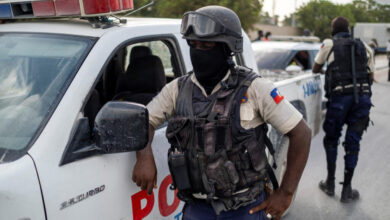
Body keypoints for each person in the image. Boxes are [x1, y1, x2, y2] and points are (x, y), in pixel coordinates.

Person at [132, 5, 311, 220]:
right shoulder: (178, 89)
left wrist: (285, 193)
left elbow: (301, 133)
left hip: (246, 207)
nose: (198, 51)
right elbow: (145, 121)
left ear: (227, 48)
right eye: (193, 44)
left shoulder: (255, 89)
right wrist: (144, 157)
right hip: (197, 208)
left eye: (207, 45)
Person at [312, 16, 374, 203]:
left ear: (333, 30)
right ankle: (347, 190)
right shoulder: (365, 46)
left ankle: (330, 184)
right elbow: (370, 77)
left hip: (340, 100)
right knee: (353, 142)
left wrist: (330, 72)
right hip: (361, 99)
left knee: (331, 139)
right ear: (349, 29)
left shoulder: (328, 45)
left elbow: (315, 69)